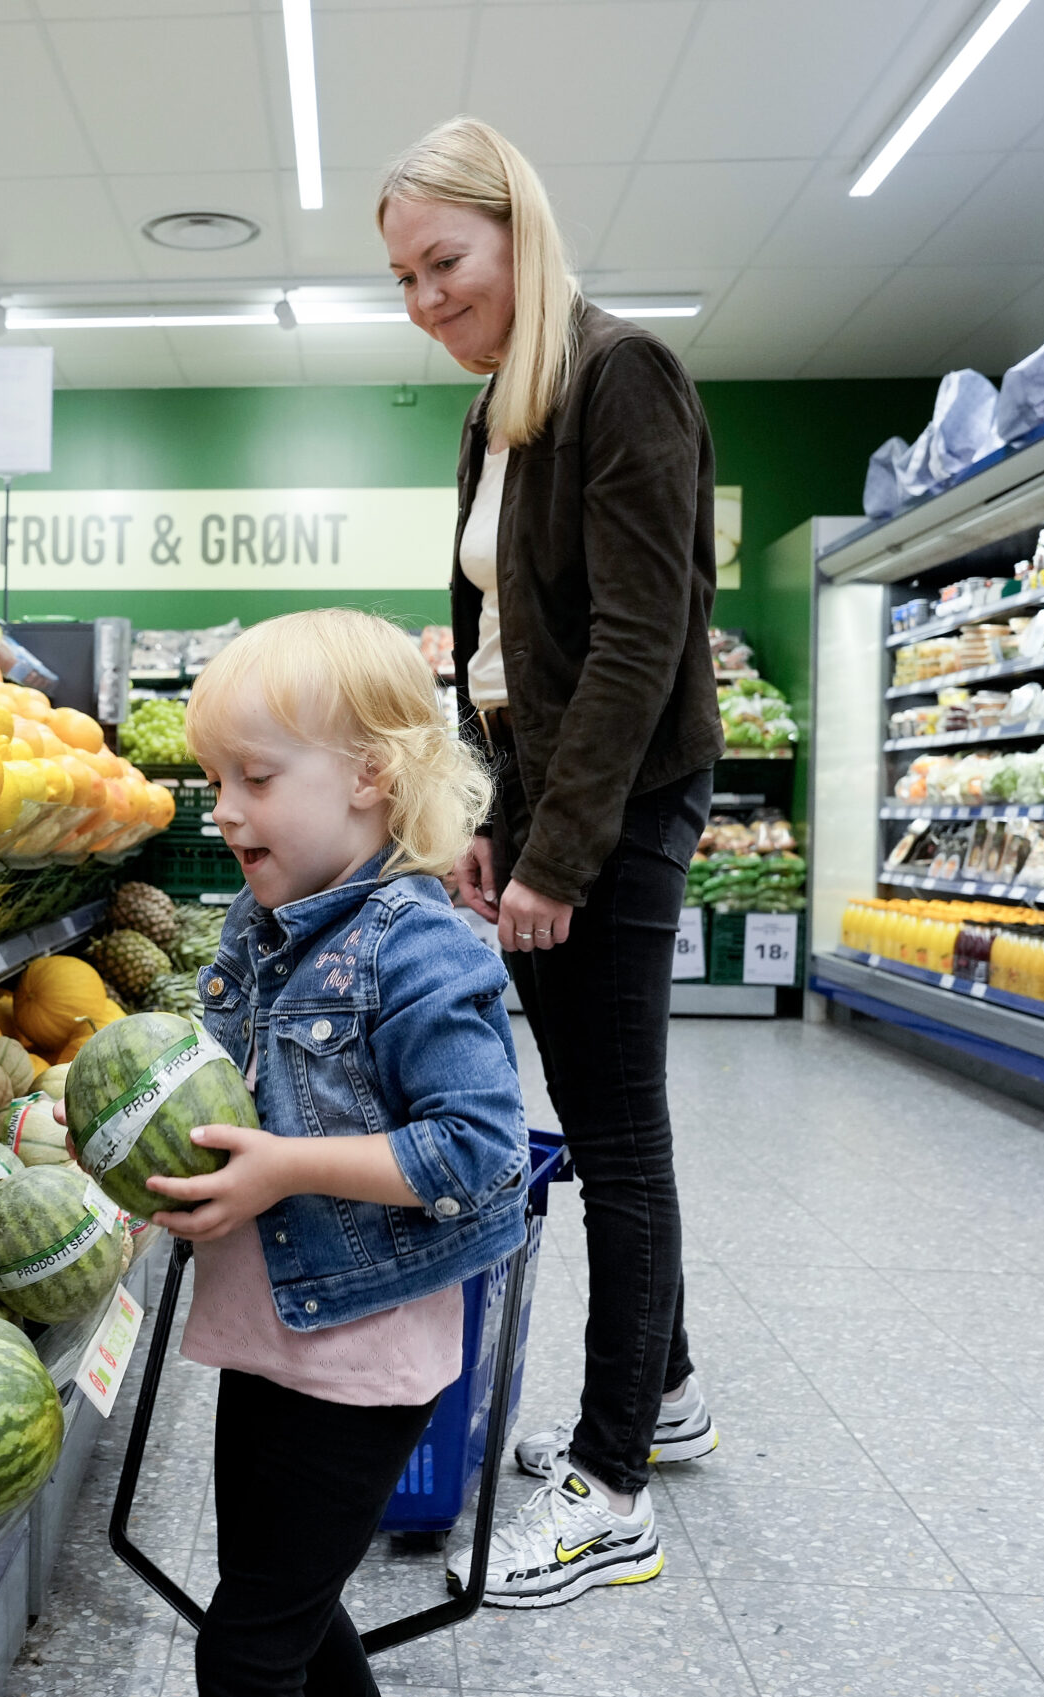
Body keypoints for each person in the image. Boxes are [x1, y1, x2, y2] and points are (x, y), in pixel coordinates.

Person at [377, 117, 724, 1611]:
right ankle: (673, 1390)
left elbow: (644, 644)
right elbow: (502, 652)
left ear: (519, 228)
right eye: (402, 278)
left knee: (618, 1136)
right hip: (550, 786)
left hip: (628, 800)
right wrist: (480, 814)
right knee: (598, 1107)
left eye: (444, 261)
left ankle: (612, 1484)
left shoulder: (616, 377)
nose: (425, 299)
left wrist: (564, 852)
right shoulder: (499, 415)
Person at [145, 608, 529, 1697]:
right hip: (275, 1331)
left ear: (368, 776)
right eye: (214, 779)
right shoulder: (254, 926)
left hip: (362, 1352)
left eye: (254, 778)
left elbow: (477, 1149)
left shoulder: (422, 945)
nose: (221, 812)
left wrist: (283, 1167)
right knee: (291, 1616)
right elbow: (220, 1097)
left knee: (247, 1645)